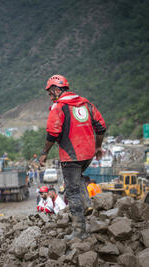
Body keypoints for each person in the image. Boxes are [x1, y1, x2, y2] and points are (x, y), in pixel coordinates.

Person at [39, 75, 106, 240]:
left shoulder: (59, 107)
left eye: (50, 93)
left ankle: (79, 232)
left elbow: (52, 133)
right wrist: (98, 146)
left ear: (56, 89)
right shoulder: (86, 103)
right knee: (78, 178)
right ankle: (88, 204)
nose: (50, 96)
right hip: (88, 154)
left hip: (71, 156)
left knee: (72, 191)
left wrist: (45, 153)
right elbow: (101, 126)